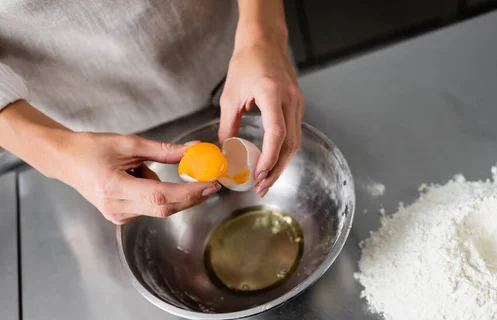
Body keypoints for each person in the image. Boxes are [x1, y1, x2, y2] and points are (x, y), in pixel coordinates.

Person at [0, 0, 304, 225]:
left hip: (240, 59)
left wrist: (262, 34)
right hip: (81, 130)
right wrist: (59, 154)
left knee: (283, 145)